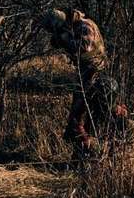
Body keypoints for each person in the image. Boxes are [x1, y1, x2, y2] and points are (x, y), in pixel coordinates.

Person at [34, 8, 127, 155]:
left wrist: (63, 36)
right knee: (85, 116)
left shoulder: (85, 25)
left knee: (86, 115)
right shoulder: (71, 28)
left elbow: (84, 47)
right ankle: (84, 153)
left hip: (95, 74)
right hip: (85, 74)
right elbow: (56, 43)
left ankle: (97, 149)